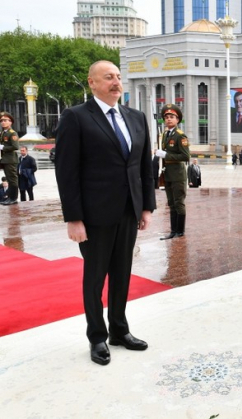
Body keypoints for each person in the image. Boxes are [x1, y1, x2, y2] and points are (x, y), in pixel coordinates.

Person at [55, 60, 156, 366]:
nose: (115, 82)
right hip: (94, 215)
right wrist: (74, 218)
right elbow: (66, 171)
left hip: (128, 211)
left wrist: (146, 206)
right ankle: (97, 337)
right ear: (92, 83)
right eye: (108, 77)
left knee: (123, 274)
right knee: (95, 277)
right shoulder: (75, 117)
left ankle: (119, 330)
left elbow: (144, 167)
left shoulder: (136, 117)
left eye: (118, 77)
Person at [154, 104, 191, 240]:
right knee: (171, 203)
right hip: (168, 174)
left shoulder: (180, 136)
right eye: (166, 117)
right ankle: (173, 230)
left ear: (177, 120)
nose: (169, 119)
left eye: (172, 117)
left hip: (178, 175)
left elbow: (186, 156)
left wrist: (165, 155)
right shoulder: (164, 134)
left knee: (179, 202)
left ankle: (180, 231)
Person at [0, 111, 19, 205]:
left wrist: (3, 147)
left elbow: (15, 146)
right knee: (8, 178)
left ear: (10, 122)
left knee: (12, 180)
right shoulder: (3, 133)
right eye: (1, 120)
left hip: (10, 159)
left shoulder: (12, 133)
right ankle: (9, 198)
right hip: (4, 159)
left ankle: (13, 198)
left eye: (5, 120)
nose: (3, 122)